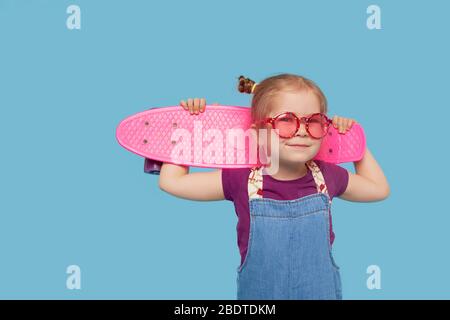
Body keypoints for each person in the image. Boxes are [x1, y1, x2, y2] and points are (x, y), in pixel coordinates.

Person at [158, 73, 390, 300]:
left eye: (314, 121)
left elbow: (378, 189)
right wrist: (189, 127)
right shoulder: (240, 179)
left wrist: (353, 139)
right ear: (258, 133)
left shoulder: (328, 177)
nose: (301, 130)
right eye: (286, 120)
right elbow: (172, 182)